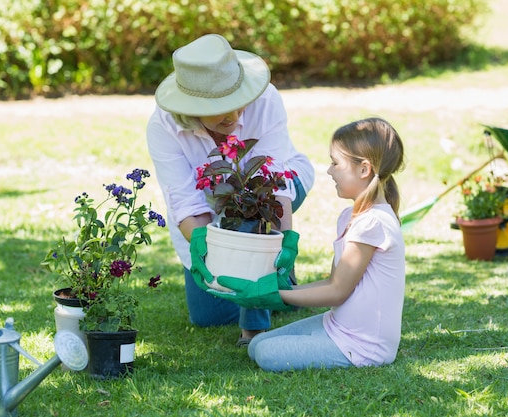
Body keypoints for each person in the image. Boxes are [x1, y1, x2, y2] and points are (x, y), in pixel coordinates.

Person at [146, 34, 315, 345]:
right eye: (222, 108)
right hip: (211, 215)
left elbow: (272, 184)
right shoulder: (163, 127)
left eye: (238, 102)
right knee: (207, 317)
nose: (236, 115)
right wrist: (202, 243)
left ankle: (254, 327)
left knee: (249, 214)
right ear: (192, 106)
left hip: (273, 192)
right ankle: (273, 285)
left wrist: (285, 242)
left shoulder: (265, 101)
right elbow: (185, 202)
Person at [247, 117, 406, 371]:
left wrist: (276, 296)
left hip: (363, 346)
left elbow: (337, 292)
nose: (329, 170)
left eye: (335, 163)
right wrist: (279, 289)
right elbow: (332, 282)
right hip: (337, 326)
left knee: (265, 353)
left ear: (364, 169)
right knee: (256, 344)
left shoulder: (373, 222)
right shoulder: (350, 217)